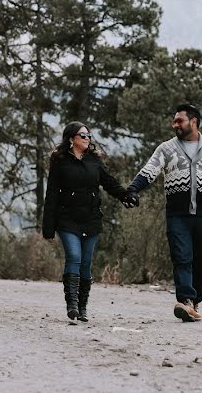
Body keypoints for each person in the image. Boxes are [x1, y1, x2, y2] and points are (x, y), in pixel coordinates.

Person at [126, 103, 202, 322]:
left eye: (179, 120)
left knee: (201, 262)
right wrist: (133, 189)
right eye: (174, 121)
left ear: (194, 122)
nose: (175, 125)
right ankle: (185, 301)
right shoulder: (167, 148)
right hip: (177, 215)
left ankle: (195, 302)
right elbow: (150, 170)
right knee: (181, 257)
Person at [42, 121, 135, 322]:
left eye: (88, 136)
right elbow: (51, 195)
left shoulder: (94, 161)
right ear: (71, 139)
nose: (87, 139)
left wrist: (126, 196)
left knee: (86, 263)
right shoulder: (60, 161)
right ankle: (72, 305)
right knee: (74, 257)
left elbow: (110, 183)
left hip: (91, 219)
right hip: (67, 219)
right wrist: (48, 227)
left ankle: (83, 308)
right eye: (83, 135)